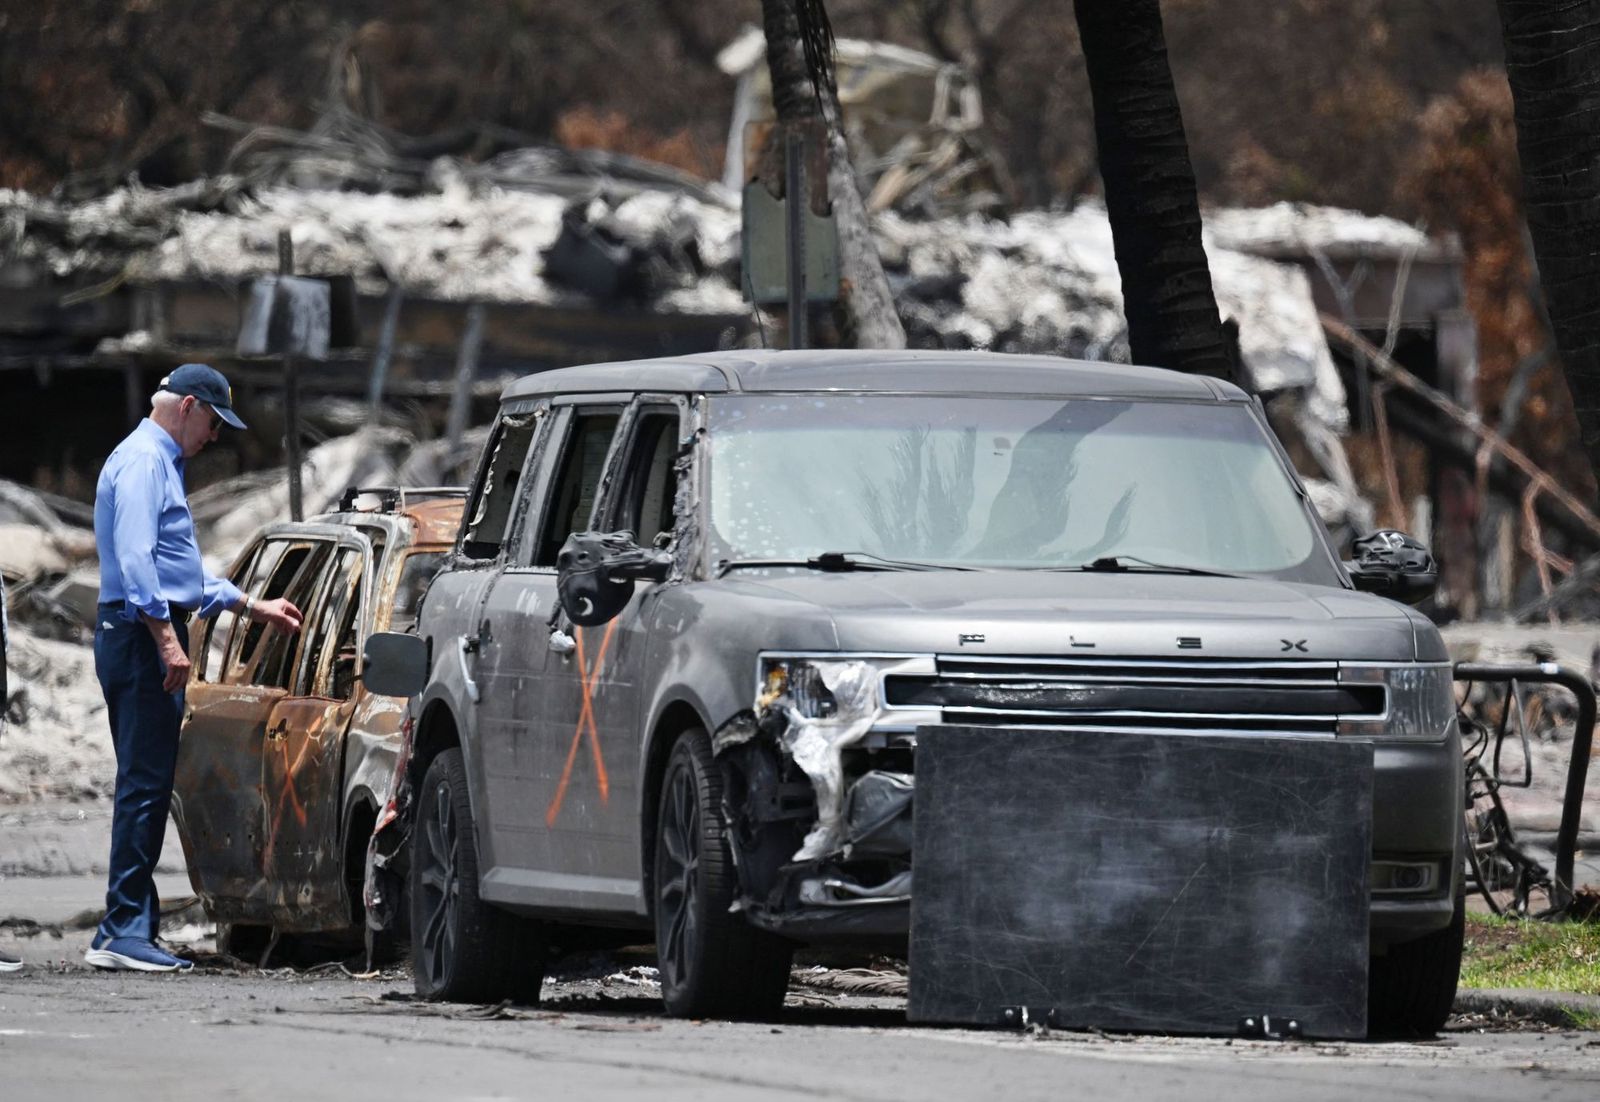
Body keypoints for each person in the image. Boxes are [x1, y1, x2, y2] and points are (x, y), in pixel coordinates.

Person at [89, 363, 302, 972]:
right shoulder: (143, 462)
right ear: (186, 407)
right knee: (143, 785)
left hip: (138, 631)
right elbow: (136, 563)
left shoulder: (157, 461)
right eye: (211, 421)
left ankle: (127, 923)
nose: (213, 436)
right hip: (137, 634)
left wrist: (245, 603)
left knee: (148, 783)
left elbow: (175, 568)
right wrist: (165, 638)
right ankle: (122, 928)